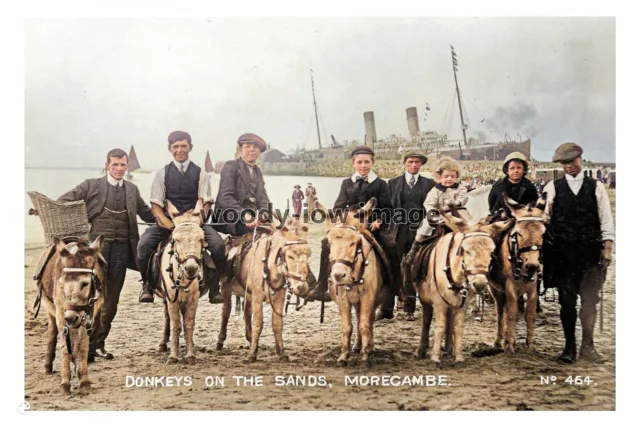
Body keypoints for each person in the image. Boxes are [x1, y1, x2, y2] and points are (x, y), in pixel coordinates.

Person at [58, 148, 155, 361]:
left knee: (110, 301)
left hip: (122, 250)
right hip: (94, 253)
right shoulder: (91, 185)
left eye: (123, 165)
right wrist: (51, 210)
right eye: (115, 165)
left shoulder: (132, 189)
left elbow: (147, 213)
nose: (119, 169)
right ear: (107, 166)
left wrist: (170, 221)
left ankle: (98, 345)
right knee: (87, 298)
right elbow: (65, 200)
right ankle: (81, 345)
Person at [542, 142, 614, 364]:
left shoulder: (596, 187)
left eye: (572, 162)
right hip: (563, 254)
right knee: (567, 301)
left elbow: (606, 218)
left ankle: (588, 347)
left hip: (590, 253)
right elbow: (544, 218)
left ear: (580, 160)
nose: (569, 167)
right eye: (564, 164)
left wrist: (608, 246)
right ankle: (569, 348)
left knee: (590, 301)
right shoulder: (552, 188)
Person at [305, 145, 402, 307]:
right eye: (360, 162)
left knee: (391, 246)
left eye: (367, 162)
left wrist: (378, 220)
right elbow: (338, 207)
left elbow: (387, 208)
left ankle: (396, 287)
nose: (363, 166)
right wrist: (345, 219)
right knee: (325, 243)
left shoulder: (380, 184)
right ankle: (322, 285)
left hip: (372, 226)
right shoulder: (346, 183)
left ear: (372, 163)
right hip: (350, 226)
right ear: (353, 163)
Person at [137, 131, 226, 304]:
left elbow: (205, 204)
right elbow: (156, 207)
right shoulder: (161, 174)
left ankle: (214, 288)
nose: (180, 150)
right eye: (176, 147)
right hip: (168, 224)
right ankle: (147, 285)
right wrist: (170, 224)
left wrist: (195, 224)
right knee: (143, 246)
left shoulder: (202, 174)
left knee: (218, 245)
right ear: (170, 149)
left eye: (183, 146)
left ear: (190, 147)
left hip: (195, 224)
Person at [382, 152, 435, 321]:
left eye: (417, 162)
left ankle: (409, 308)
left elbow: (433, 206)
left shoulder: (429, 184)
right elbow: (386, 207)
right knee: (393, 266)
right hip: (397, 230)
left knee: (413, 266)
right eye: (410, 162)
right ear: (405, 163)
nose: (413, 165)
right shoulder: (393, 183)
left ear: (421, 165)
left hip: (420, 231)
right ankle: (388, 307)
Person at [213, 133, 271, 236]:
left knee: (278, 230)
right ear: (241, 150)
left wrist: (263, 214)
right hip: (229, 217)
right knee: (260, 233)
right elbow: (225, 197)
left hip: (251, 217)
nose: (252, 150)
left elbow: (264, 199)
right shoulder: (231, 166)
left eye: (256, 147)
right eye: (248, 146)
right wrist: (244, 215)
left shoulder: (258, 172)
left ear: (259, 152)